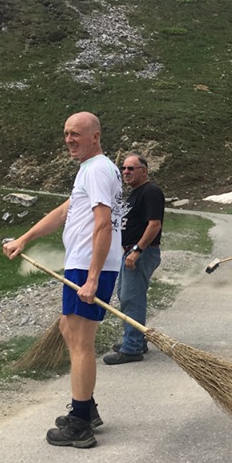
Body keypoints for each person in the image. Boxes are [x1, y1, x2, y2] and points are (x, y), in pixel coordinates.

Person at [3, 112, 123, 449]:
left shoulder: (98, 169)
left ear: (95, 136)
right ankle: (87, 405)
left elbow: (103, 224)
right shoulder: (90, 170)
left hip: (88, 266)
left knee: (82, 341)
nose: (69, 139)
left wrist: (93, 278)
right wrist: (24, 239)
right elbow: (65, 211)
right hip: (83, 264)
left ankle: (81, 423)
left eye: (77, 134)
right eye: (66, 134)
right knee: (69, 329)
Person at [103, 154, 164, 364]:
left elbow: (154, 224)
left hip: (140, 253)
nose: (126, 172)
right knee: (126, 295)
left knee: (131, 297)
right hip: (130, 252)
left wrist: (138, 249)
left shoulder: (151, 192)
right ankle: (137, 338)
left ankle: (132, 348)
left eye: (132, 168)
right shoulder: (136, 194)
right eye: (124, 168)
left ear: (144, 171)